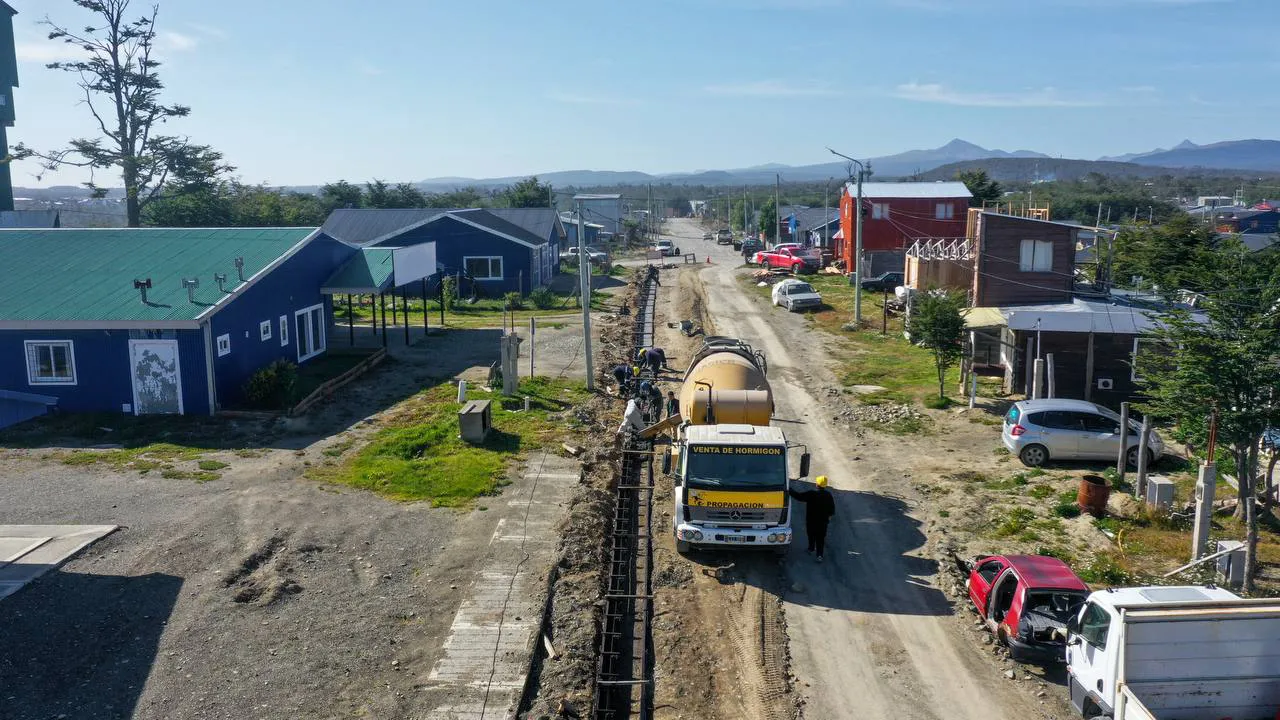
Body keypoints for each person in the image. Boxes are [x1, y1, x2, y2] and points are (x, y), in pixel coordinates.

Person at [788, 475, 836, 562]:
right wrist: (828, 517)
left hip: (811, 520)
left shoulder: (812, 493)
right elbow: (832, 510)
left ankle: (811, 548)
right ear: (825, 485)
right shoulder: (828, 495)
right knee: (820, 538)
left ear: (817, 484)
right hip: (823, 522)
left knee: (811, 534)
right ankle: (819, 555)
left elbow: (799, 496)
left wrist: (789, 490)